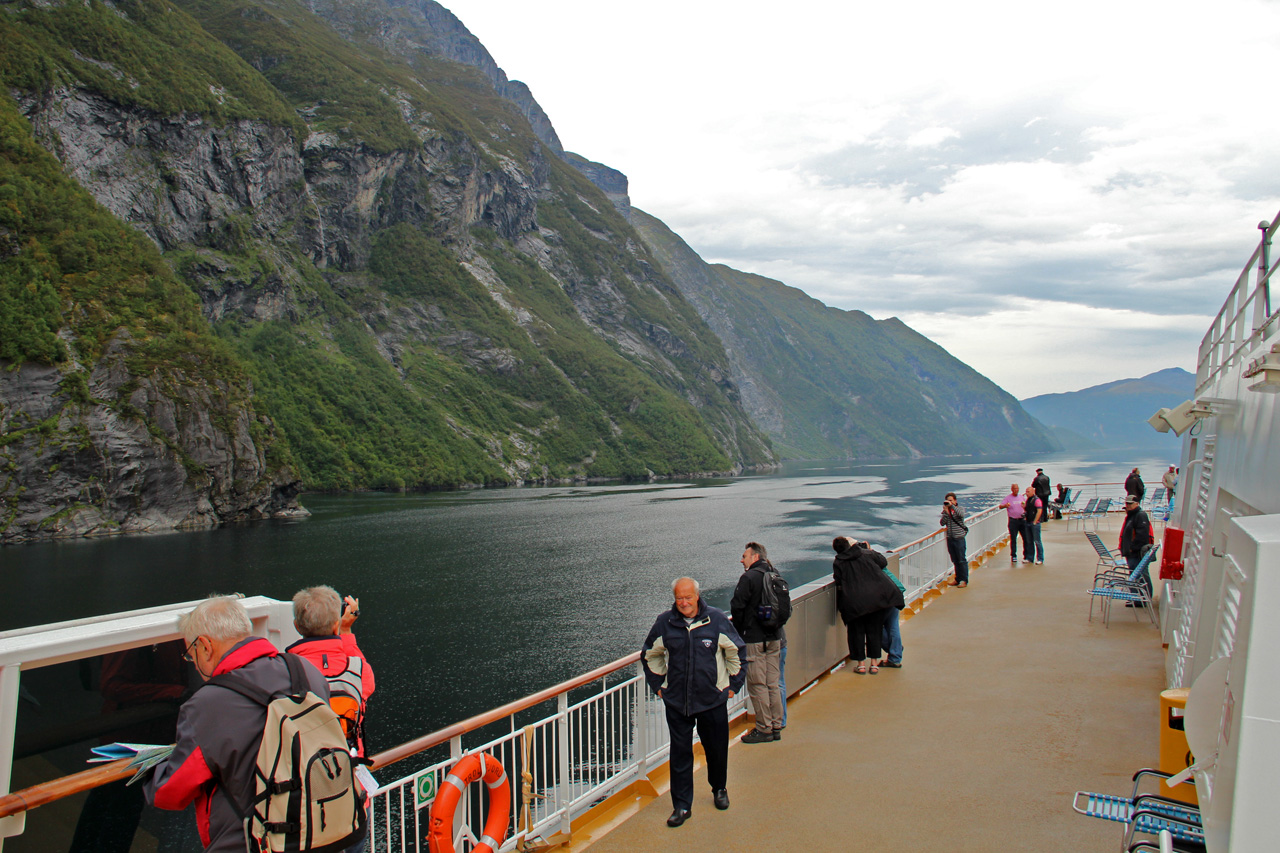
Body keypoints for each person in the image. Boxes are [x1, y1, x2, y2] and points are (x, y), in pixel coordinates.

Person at [145, 595, 333, 852]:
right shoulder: (305, 670)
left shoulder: (206, 705)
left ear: (205, 646)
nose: (194, 663)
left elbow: (169, 792)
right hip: (317, 830)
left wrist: (148, 766)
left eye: (191, 654)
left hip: (250, 842)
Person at [642, 577, 745, 828]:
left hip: (712, 700)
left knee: (717, 749)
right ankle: (682, 805)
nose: (684, 602)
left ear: (697, 596)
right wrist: (659, 686)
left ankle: (719, 789)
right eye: (679, 598)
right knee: (680, 755)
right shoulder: (665, 622)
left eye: (688, 597)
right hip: (678, 702)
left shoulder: (717, 619)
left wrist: (732, 686)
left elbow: (737, 653)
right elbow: (649, 655)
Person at [286, 586, 376, 758]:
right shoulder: (359, 670)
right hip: (349, 769)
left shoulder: (285, 671)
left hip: (305, 775)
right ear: (336, 625)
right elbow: (366, 685)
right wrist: (346, 631)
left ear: (297, 627)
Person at [730, 542, 784, 744]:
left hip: (754, 639)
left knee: (757, 684)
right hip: (775, 636)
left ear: (755, 557)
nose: (741, 560)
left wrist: (739, 632)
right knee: (772, 683)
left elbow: (737, 606)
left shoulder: (749, 577)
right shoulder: (774, 573)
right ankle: (776, 725)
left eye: (744, 556)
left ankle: (764, 728)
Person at [832, 538, 903, 674]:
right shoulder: (866, 554)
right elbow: (883, 561)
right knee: (874, 631)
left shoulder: (839, 562)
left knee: (856, 633)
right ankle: (874, 665)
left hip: (854, 603)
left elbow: (839, 580)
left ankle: (861, 665)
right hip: (876, 600)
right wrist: (869, 549)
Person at [1119, 494, 1154, 602]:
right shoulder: (1131, 516)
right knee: (1134, 574)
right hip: (1131, 553)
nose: (1128, 506)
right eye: (1126, 504)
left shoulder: (1140, 515)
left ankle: (1141, 598)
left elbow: (1142, 535)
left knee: (1140, 575)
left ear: (1137, 504)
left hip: (1136, 553)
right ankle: (1135, 598)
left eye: (1130, 504)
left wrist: (1132, 548)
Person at [879, 559, 907, 668]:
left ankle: (896, 650)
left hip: (887, 598)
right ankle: (895, 656)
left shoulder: (869, 567)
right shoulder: (880, 563)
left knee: (875, 627)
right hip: (896, 595)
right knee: (893, 627)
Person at [941, 492, 969, 587]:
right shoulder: (946, 511)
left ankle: (964, 580)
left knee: (961, 559)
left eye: (951, 500)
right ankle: (957, 579)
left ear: (955, 501)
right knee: (955, 560)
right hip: (950, 538)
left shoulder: (959, 509)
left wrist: (952, 507)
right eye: (947, 501)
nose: (949, 502)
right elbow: (942, 523)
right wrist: (945, 512)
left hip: (959, 538)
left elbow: (961, 515)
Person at [998, 482, 1028, 564]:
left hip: (1022, 520)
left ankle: (1026, 555)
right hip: (1013, 521)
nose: (1016, 490)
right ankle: (1013, 555)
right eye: (1014, 488)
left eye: (1017, 488)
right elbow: (1000, 506)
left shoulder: (1022, 497)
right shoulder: (1008, 498)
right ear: (1012, 489)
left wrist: (1025, 506)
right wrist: (1005, 506)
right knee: (1013, 539)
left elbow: (1026, 506)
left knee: (1025, 538)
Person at [1023, 485, 1045, 564]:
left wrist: (1035, 521)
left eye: (1028, 492)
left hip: (1034, 524)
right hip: (1028, 522)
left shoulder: (1037, 500)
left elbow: (1039, 511)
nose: (1026, 493)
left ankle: (1040, 559)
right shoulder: (1028, 500)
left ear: (1033, 492)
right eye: (1026, 492)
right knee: (1029, 541)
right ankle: (1030, 558)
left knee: (1037, 541)